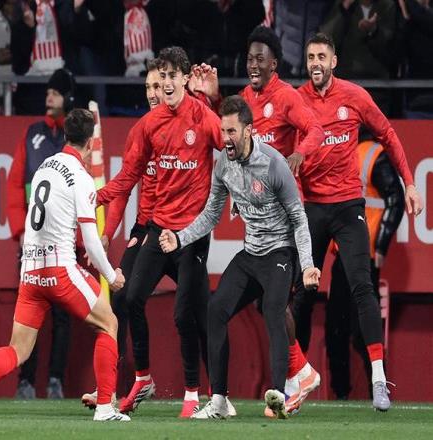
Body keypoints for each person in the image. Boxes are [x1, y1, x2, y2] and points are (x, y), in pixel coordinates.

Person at [0, 109, 129, 422]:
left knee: (18, 350)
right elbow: (90, 241)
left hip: (30, 271)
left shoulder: (45, 166)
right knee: (108, 323)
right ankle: (105, 407)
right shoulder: (81, 177)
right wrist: (111, 275)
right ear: (90, 144)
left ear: (65, 136)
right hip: (60, 269)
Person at [159, 95, 320, 419]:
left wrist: (307, 266)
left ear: (249, 130)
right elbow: (210, 215)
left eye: (232, 131)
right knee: (215, 311)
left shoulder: (274, 164)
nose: (226, 138)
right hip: (250, 254)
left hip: (280, 251)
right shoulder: (223, 164)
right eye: (223, 131)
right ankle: (219, 401)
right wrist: (180, 238)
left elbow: (299, 218)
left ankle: (279, 392)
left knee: (273, 311)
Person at [192, 25, 325, 413]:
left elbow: (315, 128)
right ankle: (299, 375)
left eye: (259, 59)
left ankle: (291, 381)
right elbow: (230, 133)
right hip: (255, 217)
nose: (252, 64)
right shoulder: (246, 99)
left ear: (274, 64)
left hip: (283, 215)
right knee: (266, 304)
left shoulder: (287, 97)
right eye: (249, 58)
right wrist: (215, 99)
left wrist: (300, 153)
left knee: (273, 305)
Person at [292, 32, 423, 411]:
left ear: (334, 61)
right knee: (301, 295)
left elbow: (389, 135)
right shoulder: (296, 100)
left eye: (322, 56)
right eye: (310, 57)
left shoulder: (354, 96)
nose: (316, 63)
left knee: (363, 289)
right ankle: (294, 379)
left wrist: (410, 183)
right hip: (312, 209)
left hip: (349, 208)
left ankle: (379, 380)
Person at [94, 46, 223, 417]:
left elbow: (234, 145)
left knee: (189, 314)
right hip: (157, 228)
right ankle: (143, 377)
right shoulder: (148, 126)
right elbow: (128, 176)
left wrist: (216, 99)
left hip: (192, 233)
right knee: (131, 297)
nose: (164, 85)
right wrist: (96, 197)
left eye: (170, 77)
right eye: (159, 78)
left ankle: (199, 393)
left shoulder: (204, 117)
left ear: (185, 79)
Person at [7, 68, 76, 399]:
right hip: (34, 241)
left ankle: (55, 381)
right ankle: (25, 381)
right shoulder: (32, 133)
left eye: (56, 92)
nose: (49, 96)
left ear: (68, 98)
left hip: (63, 241)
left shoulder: (76, 136)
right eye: (48, 92)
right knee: (29, 313)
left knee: (62, 316)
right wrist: (20, 230)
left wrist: (79, 239)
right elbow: (14, 185)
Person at [326, 137, 405, 399]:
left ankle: (377, 389)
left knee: (362, 330)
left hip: (365, 255)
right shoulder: (344, 151)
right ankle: (340, 393)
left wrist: (380, 246)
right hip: (343, 253)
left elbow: (396, 199)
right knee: (335, 327)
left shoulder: (371, 154)